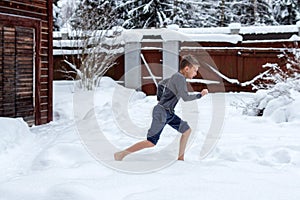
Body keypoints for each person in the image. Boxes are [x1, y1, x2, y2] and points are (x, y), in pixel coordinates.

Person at [114, 54, 208, 161]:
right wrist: (200, 95)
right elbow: (185, 97)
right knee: (151, 142)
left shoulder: (175, 77)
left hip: (168, 113)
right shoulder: (180, 78)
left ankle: (180, 158)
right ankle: (121, 154)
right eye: (195, 70)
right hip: (162, 113)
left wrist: (160, 99)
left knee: (186, 130)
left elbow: (160, 84)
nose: (196, 73)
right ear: (187, 69)